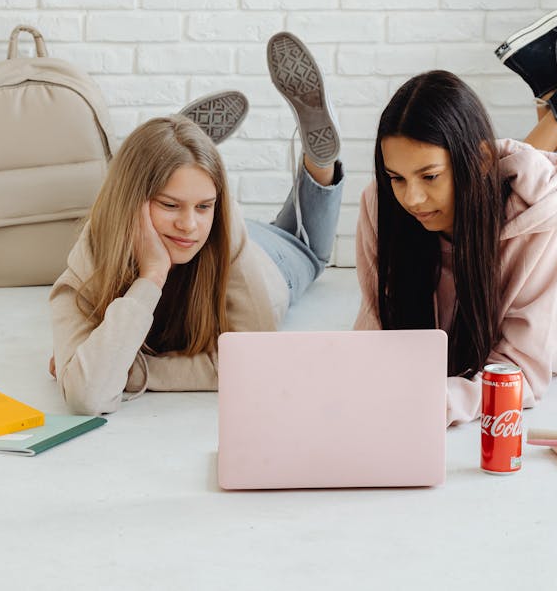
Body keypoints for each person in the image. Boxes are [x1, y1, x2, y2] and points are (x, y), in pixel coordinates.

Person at [49, 32, 343, 416]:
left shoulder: (215, 227)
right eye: (170, 203)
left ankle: (315, 163)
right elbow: (87, 397)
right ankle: (180, 153)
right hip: (213, 238)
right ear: (131, 204)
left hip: (264, 258)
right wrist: (151, 275)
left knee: (310, 251)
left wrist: (135, 372)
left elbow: (256, 361)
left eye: (203, 205)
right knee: (303, 243)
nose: (188, 224)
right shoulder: (88, 263)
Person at [354, 10, 557, 426]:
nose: (412, 198)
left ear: (476, 161)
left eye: (429, 176)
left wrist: (436, 401)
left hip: (554, 292)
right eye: (396, 178)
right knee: (539, 183)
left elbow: (524, 370)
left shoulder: (534, 213)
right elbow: (374, 323)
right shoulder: (381, 205)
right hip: (498, 199)